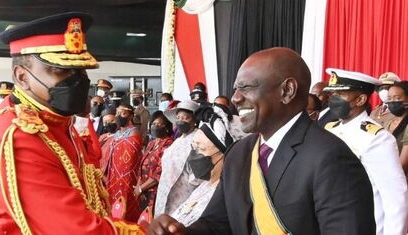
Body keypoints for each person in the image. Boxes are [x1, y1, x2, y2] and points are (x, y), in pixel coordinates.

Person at [147, 47, 376, 235]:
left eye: (247, 87)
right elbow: (218, 224)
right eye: (236, 88)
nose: (236, 98)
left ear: (287, 90)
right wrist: (181, 233)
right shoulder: (240, 153)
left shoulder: (330, 158)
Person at [0, 12, 144, 234]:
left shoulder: (55, 119)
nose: (77, 80)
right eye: (61, 70)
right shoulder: (20, 136)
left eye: (80, 70)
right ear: (22, 77)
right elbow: (74, 230)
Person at [324, 68, 408, 235]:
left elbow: (395, 198)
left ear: (361, 99)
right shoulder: (330, 129)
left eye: (340, 94)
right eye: (332, 93)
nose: (333, 99)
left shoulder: (377, 138)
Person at [170, 104, 240, 226]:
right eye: (194, 147)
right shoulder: (205, 186)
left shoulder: (225, 198)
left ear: (225, 155)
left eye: (200, 148)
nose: (194, 154)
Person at [155, 100, 200, 217]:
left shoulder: (198, 138)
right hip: (165, 189)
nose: (181, 121)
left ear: (194, 120)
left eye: (185, 118)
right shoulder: (178, 140)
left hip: (184, 192)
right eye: (178, 117)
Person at [103, 104, 143, 222]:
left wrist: (114, 144)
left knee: (126, 204)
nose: (118, 116)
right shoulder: (117, 133)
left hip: (127, 176)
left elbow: (130, 157)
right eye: (117, 113)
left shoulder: (134, 132)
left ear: (130, 115)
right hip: (113, 176)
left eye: (123, 113)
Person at [134, 111, 174, 212]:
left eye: (160, 124)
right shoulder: (151, 143)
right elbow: (142, 166)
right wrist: (139, 186)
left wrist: (141, 188)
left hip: (156, 192)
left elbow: (160, 172)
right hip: (144, 191)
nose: (156, 126)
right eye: (154, 124)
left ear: (167, 127)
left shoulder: (168, 144)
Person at [383, 81, 408, 175]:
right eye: (389, 98)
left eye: (397, 98)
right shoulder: (387, 123)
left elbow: (403, 165)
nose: (392, 101)